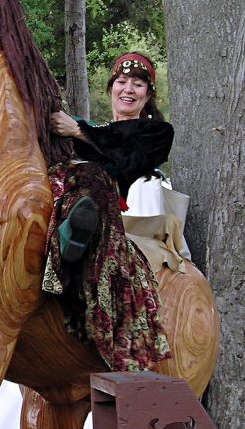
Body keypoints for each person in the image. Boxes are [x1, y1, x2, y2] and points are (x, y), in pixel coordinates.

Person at [43, 52, 177, 372]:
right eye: (121, 81)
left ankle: (70, 240)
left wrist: (78, 130)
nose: (128, 88)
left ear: (148, 95)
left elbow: (124, 159)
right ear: (111, 89)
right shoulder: (95, 130)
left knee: (93, 177)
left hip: (104, 207)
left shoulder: (158, 133)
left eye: (138, 83)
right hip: (62, 193)